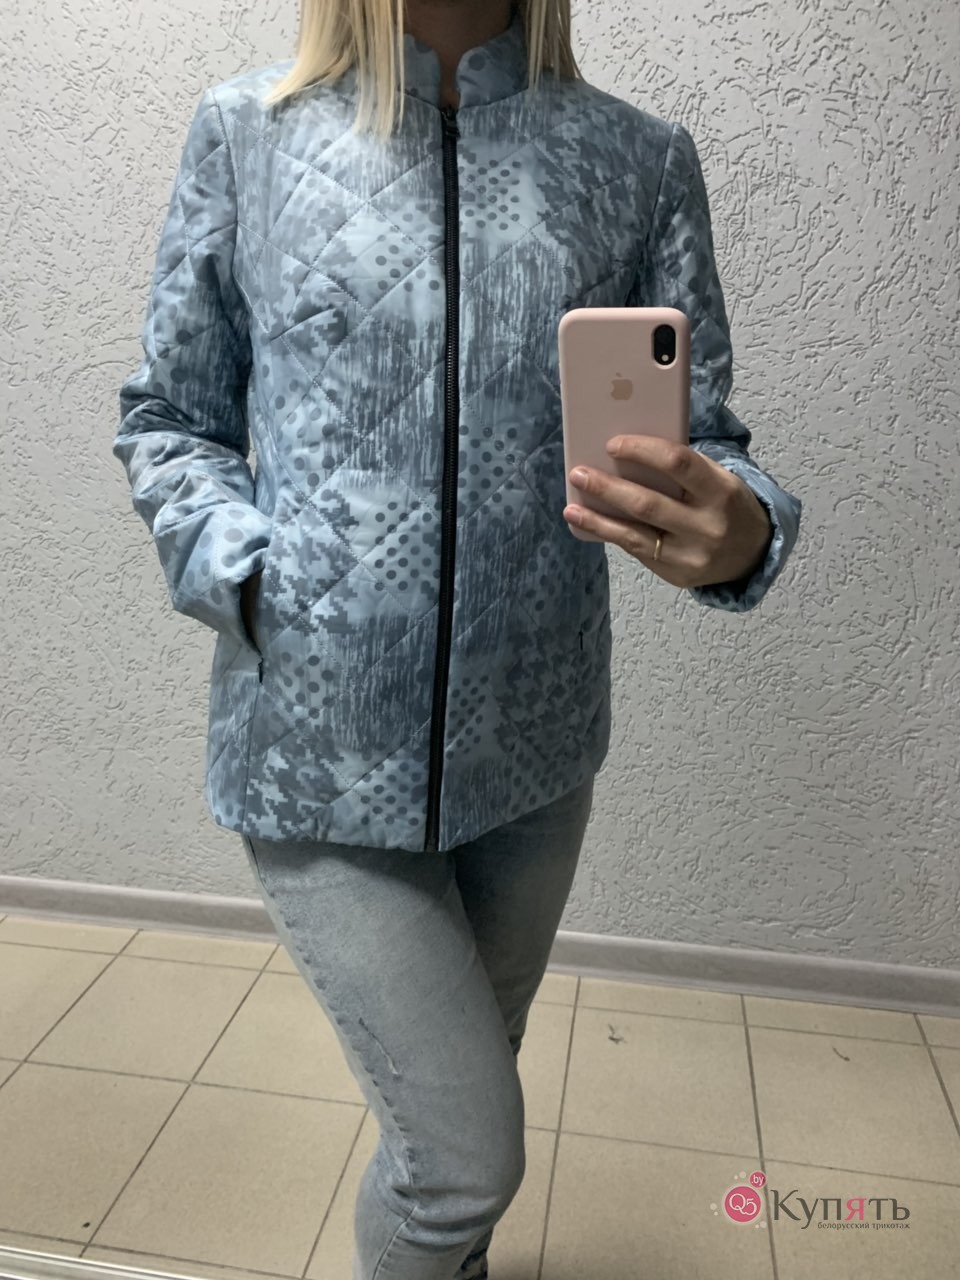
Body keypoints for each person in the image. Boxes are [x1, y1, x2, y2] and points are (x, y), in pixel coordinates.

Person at [112, 0, 802, 1275]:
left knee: (466, 1104)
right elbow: (171, 417)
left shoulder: (636, 158)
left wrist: (740, 529)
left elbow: (708, 439)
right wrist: (250, 576)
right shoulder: (246, 133)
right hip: (315, 743)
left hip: (532, 744)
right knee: (462, 1158)